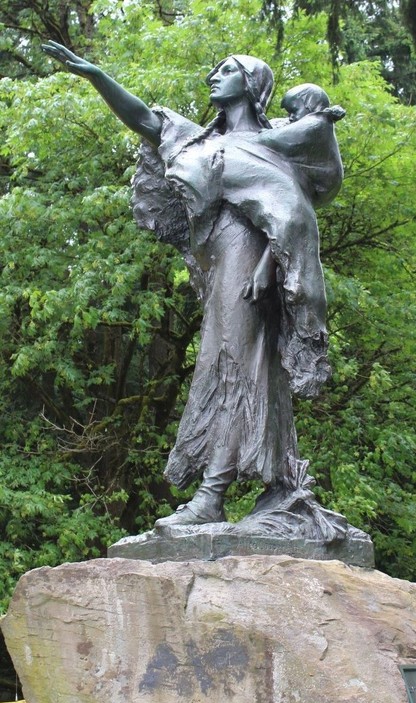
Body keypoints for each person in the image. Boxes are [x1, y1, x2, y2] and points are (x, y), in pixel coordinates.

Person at [41, 43, 344, 526]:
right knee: (235, 362)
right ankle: (277, 482)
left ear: (251, 84)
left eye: (226, 71)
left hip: (248, 261)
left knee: (232, 364)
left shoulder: (273, 145)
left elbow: (293, 212)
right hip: (219, 262)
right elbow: (145, 119)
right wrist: (97, 75)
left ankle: (212, 494)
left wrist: (269, 262)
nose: (213, 76)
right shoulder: (200, 143)